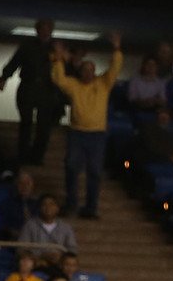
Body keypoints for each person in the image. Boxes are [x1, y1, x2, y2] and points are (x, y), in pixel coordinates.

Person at [50, 30, 121, 218]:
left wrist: (116, 49)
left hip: (97, 134)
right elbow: (58, 79)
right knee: (72, 168)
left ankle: (91, 208)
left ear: (95, 72)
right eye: (84, 70)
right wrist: (58, 58)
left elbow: (114, 67)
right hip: (77, 133)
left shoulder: (103, 84)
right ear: (80, 72)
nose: (88, 73)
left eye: (91, 70)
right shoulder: (74, 85)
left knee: (95, 172)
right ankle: (71, 202)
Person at [0, 18, 63, 166]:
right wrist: (4, 78)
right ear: (37, 30)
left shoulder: (56, 47)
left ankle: (37, 156)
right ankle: (23, 155)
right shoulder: (27, 45)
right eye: (43, 28)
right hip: (28, 86)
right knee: (25, 123)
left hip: (47, 89)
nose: (46, 32)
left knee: (44, 126)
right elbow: (14, 62)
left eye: (48, 28)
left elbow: (63, 68)